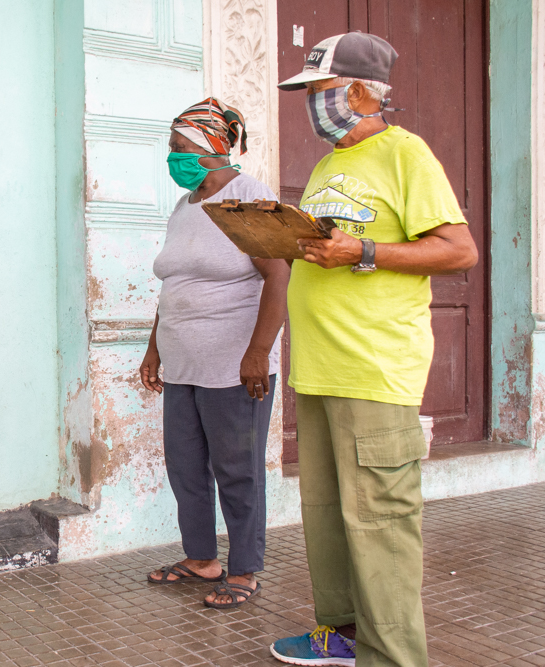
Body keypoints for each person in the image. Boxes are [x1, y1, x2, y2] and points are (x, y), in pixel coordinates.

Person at [268, 33, 478, 666]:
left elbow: (458, 249)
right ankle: (343, 635)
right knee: (329, 515)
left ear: (360, 92)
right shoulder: (334, 163)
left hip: (373, 368)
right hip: (321, 366)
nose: (311, 105)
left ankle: (393, 657)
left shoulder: (405, 152)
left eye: (320, 91)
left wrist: (360, 252)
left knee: (381, 522)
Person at [140, 98, 290, 609]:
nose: (173, 158)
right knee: (186, 467)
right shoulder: (183, 209)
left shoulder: (250, 198)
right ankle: (202, 558)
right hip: (182, 362)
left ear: (212, 150)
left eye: (181, 148)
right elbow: (174, 284)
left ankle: (246, 567)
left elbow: (278, 277)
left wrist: (258, 352)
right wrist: (152, 349)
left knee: (238, 469)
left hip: (235, 365)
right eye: (171, 148)